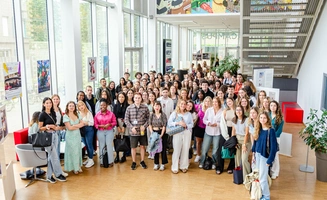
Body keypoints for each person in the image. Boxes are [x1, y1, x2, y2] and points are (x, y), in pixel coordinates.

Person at [38, 97, 66, 183]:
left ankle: (49, 176)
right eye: (47, 103)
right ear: (43, 104)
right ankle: (58, 174)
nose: (49, 104)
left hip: (55, 135)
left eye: (50, 103)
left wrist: (55, 127)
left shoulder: (53, 112)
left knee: (51, 156)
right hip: (47, 136)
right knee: (54, 156)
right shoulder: (42, 114)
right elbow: (40, 128)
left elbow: (56, 124)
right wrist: (47, 126)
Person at [252, 111, 278, 200]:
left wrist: (269, 160)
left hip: (264, 157)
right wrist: (253, 154)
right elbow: (255, 143)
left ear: (267, 119)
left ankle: (266, 197)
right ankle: (261, 194)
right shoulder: (258, 129)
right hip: (258, 155)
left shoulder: (271, 131)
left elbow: (274, 148)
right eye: (261, 118)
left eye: (264, 118)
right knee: (259, 176)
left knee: (263, 178)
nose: (262, 120)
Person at [124, 92, 150, 170]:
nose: (137, 99)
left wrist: (145, 126)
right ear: (133, 98)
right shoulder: (129, 108)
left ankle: (142, 161)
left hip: (142, 131)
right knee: (133, 147)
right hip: (133, 132)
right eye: (136, 98)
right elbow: (126, 119)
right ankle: (134, 162)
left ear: (141, 98)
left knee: (142, 146)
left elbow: (149, 119)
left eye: (139, 98)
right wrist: (131, 127)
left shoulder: (145, 108)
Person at [168, 99, 193, 174]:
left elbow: (191, 124)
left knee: (185, 150)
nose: (183, 105)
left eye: (184, 104)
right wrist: (178, 123)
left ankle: (184, 166)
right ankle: (174, 167)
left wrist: (186, 125)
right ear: (179, 104)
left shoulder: (188, 114)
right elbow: (169, 123)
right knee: (176, 150)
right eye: (181, 104)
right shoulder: (175, 113)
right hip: (177, 133)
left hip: (186, 133)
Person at [199, 97, 223, 171]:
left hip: (217, 132)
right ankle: (202, 162)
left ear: (219, 103)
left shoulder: (222, 111)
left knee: (215, 150)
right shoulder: (209, 110)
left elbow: (223, 122)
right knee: (204, 149)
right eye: (214, 102)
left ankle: (213, 163)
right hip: (208, 131)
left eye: (216, 102)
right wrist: (208, 123)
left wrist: (217, 124)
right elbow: (204, 120)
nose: (214, 103)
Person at [94, 98, 117, 167]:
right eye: (101, 105)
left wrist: (109, 124)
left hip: (109, 131)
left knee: (109, 145)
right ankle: (102, 161)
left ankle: (110, 161)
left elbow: (114, 122)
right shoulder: (97, 115)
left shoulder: (111, 114)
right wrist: (100, 126)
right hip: (100, 131)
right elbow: (95, 124)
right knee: (101, 146)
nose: (102, 106)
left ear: (107, 105)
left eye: (104, 105)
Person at [63, 101, 84, 174]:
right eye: (70, 106)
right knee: (72, 151)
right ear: (67, 107)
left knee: (78, 150)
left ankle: (78, 165)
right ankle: (74, 167)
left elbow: (82, 124)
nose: (71, 107)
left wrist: (74, 126)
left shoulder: (78, 114)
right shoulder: (65, 116)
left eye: (73, 106)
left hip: (77, 135)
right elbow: (69, 128)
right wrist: (77, 126)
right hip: (70, 136)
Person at [232, 105, 250, 180]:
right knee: (237, 159)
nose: (238, 112)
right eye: (237, 110)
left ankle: (247, 177)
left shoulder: (246, 120)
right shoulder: (234, 120)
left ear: (243, 111)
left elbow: (247, 133)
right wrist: (233, 142)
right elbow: (233, 131)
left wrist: (244, 144)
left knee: (244, 159)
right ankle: (239, 177)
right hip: (237, 140)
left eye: (240, 110)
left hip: (245, 140)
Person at [148, 101, 168, 171]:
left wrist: (161, 135)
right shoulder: (151, 115)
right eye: (155, 106)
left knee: (163, 149)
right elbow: (149, 124)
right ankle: (156, 164)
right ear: (153, 107)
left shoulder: (163, 115)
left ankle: (163, 164)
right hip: (154, 132)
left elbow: (164, 125)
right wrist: (152, 133)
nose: (157, 107)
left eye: (158, 106)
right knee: (155, 149)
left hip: (162, 133)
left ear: (160, 107)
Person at [194, 96, 212, 164]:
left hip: (207, 128)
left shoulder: (212, 109)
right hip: (199, 127)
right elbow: (191, 107)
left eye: (209, 101)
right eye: (206, 101)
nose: (207, 102)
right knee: (198, 142)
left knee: (206, 143)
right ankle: (198, 155)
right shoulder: (199, 106)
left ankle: (205, 155)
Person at [77, 101, 95, 168]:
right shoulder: (77, 113)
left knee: (89, 144)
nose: (81, 107)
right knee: (86, 145)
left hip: (89, 130)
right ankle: (89, 158)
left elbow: (91, 123)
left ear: (84, 105)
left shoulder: (88, 113)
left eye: (82, 105)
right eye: (79, 106)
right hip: (81, 130)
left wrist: (83, 123)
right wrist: (84, 122)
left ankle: (91, 160)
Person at [269, 100, 284, 179]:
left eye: (274, 106)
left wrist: (273, 137)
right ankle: (270, 170)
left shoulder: (280, 118)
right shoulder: (267, 115)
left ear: (277, 107)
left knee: (275, 155)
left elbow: (279, 131)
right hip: (267, 137)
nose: (272, 107)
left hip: (275, 138)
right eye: (271, 105)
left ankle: (275, 172)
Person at [113, 92, 129, 163]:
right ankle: (117, 155)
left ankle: (124, 155)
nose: (121, 98)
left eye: (122, 97)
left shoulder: (128, 106)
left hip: (125, 123)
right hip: (117, 123)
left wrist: (124, 126)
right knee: (117, 139)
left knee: (125, 138)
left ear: (125, 98)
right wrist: (117, 126)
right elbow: (114, 117)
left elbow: (127, 117)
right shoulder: (115, 106)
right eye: (119, 97)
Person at [52, 94, 66, 160]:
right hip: (53, 130)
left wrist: (62, 127)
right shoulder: (51, 109)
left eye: (57, 99)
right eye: (54, 99)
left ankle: (57, 166)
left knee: (58, 148)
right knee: (54, 149)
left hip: (59, 129)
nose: (55, 100)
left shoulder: (59, 109)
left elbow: (61, 120)